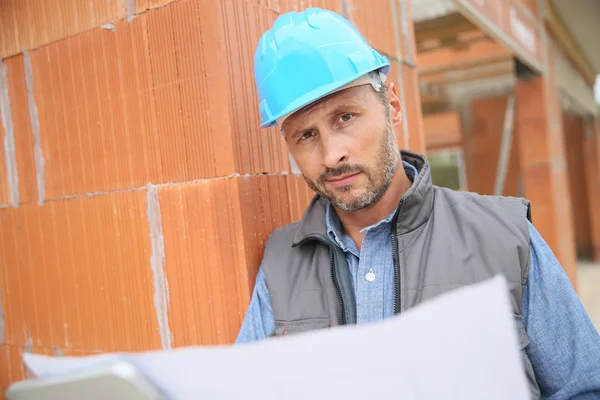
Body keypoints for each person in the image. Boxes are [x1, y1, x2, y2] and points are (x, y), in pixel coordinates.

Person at [236, 7, 600, 399]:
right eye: (306, 135)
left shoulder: (504, 236)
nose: (331, 154)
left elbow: (584, 388)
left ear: (392, 106)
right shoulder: (277, 267)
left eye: (345, 118)